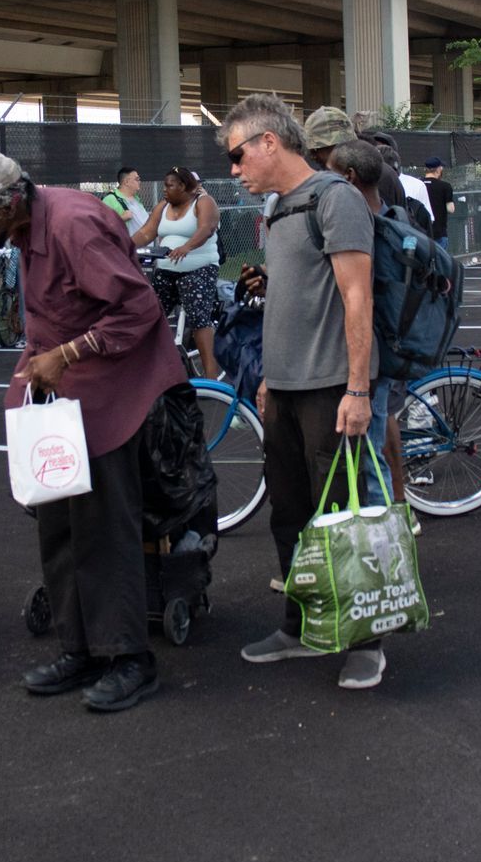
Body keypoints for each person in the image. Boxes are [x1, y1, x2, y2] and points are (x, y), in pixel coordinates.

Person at [0, 151, 181, 712]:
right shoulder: (26, 227)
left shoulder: (74, 225)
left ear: (11, 202)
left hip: (108, 391)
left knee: (103, 526)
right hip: (61, 394)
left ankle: (129, 658)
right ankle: (81, 648)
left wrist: (69, 353)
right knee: (59, 521)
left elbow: (138, 308)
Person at [224, 94, 385, 691]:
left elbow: (357, 297)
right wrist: (270, 376)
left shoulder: (333, 197)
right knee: (289, 517)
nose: (235, 169)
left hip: (331, 392)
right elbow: (291, 301)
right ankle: (299, 627)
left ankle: (366, 642)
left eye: (239, 155)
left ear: (270, 142)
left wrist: (359, 389)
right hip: (286, 391)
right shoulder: (282, 206)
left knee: (343, 520)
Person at [327, 140, 407, 505]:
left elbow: (361, 296)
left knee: (370, 456)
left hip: (374, 350)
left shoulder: (368, 227)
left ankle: (385, 549)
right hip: (391, 343)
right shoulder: (393, 216)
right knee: (374, 445)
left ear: (349, 176)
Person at [132, 166, 221, 378]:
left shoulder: (203, 202)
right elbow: (146, 232)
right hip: (166, 269)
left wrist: (187, 247)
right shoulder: (163, 206)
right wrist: (123, 245)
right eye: (164, 185)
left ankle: (211, 377)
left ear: (183, 186)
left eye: (169, 185)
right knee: (151, 314)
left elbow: (206, 228)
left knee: (199, 318)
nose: (164, 189)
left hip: (199, 268)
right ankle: (152, 370)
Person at [102, 166, 147, 237]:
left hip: (145, 246)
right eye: (137, 179)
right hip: (124, 246)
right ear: (126, 182)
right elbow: (102, 226)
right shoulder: (110, 200)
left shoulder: (136, 199)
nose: (139, 182)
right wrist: (121, 219)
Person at [423, 158, 455, 249]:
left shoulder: (418, 183)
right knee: (439, 261)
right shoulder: (445, 186)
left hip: (421, 231)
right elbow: (450, 209)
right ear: (438, 169)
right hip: (439, 233)